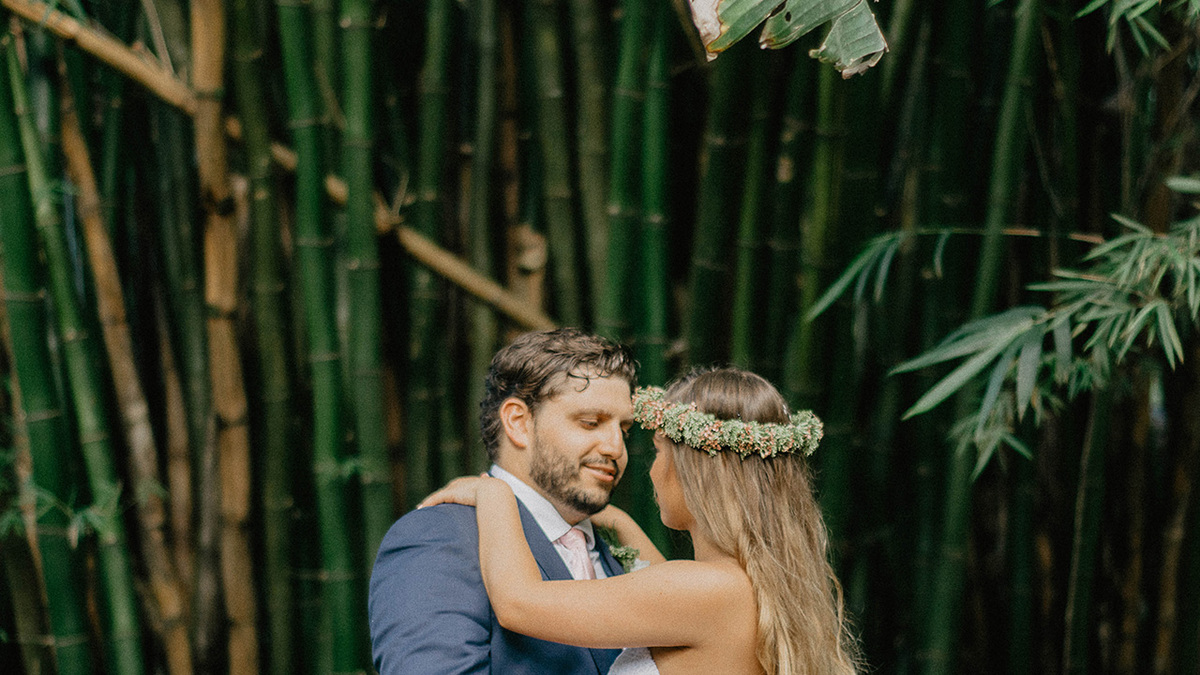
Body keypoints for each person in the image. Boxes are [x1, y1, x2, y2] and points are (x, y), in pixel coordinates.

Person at [421, 367, 861, 675]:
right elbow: (660, 582)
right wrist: (617, 521)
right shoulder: (746, 585)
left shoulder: (701, 589)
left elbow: (519, 603)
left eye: (658, 451)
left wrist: (496, 492)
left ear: (695, 471)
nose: (650, 470)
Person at [368, 328, 641, 674]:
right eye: (590, 423)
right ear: (518, 422)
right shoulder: (441, 536)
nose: (616, 447)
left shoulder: (617, 546)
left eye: (625, 430)